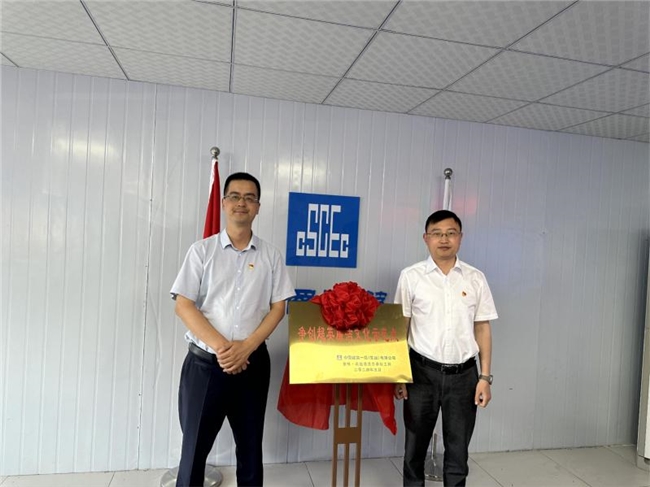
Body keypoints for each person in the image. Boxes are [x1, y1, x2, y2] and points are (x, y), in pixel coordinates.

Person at [170, 172, 295, 487]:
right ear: (224, 203)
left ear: (258, 207)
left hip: (252, 365)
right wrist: (225, 350)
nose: (242, 203)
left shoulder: (271, 255)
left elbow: (278, 307)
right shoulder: (202, 251)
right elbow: (184, 305)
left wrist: (246, 347)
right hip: (205, 366)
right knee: (194, 450)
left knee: (250, 450)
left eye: (250, 198)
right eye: (235, 196)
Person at [394, 210, 498, 487]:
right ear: (426, 238)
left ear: (460, 238)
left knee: (458, 452)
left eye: (450, 233)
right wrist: (399, 375)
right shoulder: (411, 276)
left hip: (464, 377)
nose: (444, 239)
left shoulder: (475, 278)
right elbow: (401, 328)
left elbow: (483, 328)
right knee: (414, 448)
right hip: (420, 374)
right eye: (437, 234)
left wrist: (484, 378)